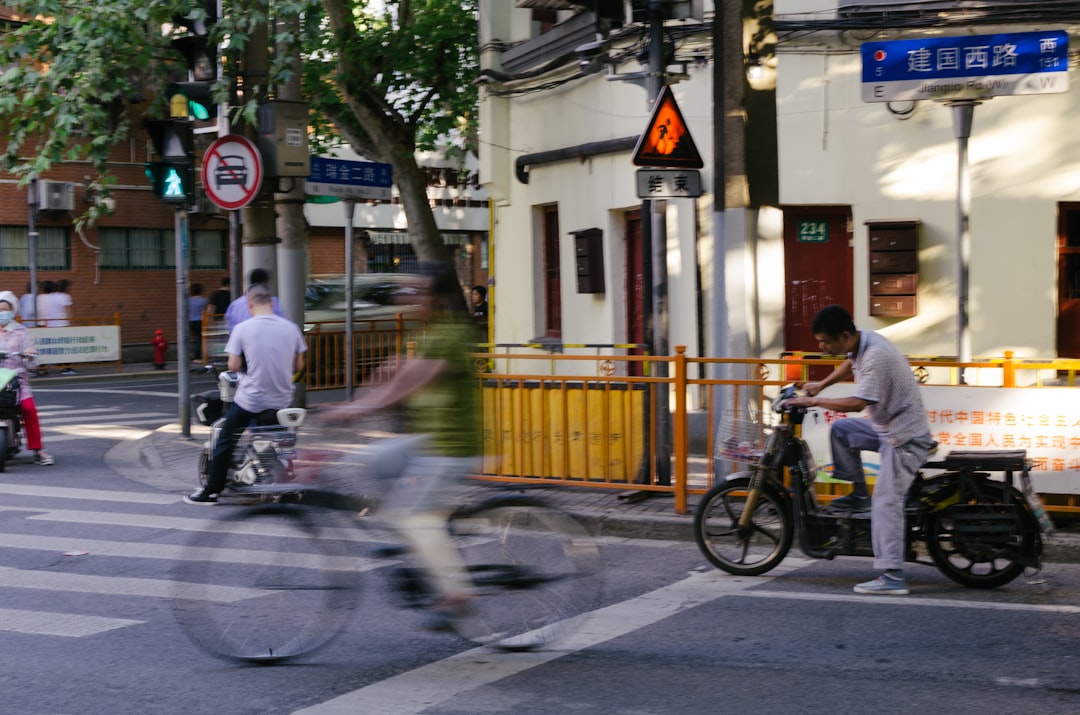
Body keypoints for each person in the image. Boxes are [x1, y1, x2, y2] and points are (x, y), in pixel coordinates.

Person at [319, 261, 481, 629]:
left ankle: (458, 595)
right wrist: (353, 404)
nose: (408, 297)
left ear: (438, 298)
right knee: (373, 459)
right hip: (427, 441)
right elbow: (393, 373)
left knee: (412, 516)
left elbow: (408, 385)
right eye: (407, 290)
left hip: (453, 446)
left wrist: (356, 411)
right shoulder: (427, 334)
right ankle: (419, 536)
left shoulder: (451, 335)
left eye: (418, 290)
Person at [786, 305, 933, 596]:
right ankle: (857, 496)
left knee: (886, 503)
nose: (821, 347)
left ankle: (892, 576)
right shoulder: (862, 341)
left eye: (826, 342)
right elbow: (849, 362)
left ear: (844, 335)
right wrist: (821, 385)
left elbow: (856, 403)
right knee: (842, 431)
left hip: (902, 437)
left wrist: (813, 402)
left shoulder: (877, 355)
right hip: (886, 427)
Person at [185, 283, 307, 505]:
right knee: (277, 440)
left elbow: (233, 365)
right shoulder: (292, 328)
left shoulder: (243, 328)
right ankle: (284, 483)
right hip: (282, 399)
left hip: (251, 399)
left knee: (226, 439)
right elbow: (299, 366)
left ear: (250, 304)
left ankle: (211, 491)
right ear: (271, 303)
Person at [0, 290, 54, 465]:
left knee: (29, 409)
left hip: (17, 380)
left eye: (5, 309)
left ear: (12, 310)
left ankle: (39, 450)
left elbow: (32, 362)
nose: (2, 313)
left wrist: (30, 354)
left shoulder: (21, 331)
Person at [187, 283, 209, 362]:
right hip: (201, 320)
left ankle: (195, 355)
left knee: (196, 338)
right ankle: (198, 356)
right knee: (201, 338)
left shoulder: (188, 300)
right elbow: (205, 310)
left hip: (191, 320)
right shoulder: (204, 300)